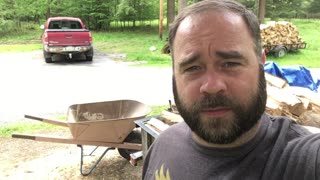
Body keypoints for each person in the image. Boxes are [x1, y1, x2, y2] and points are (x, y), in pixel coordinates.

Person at [142, 0, 320, 179]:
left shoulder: (305, 160)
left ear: (261, 62)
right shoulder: (162, 147)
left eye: (230, 63)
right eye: (192, 68)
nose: (212, 86)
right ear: (174, 73)